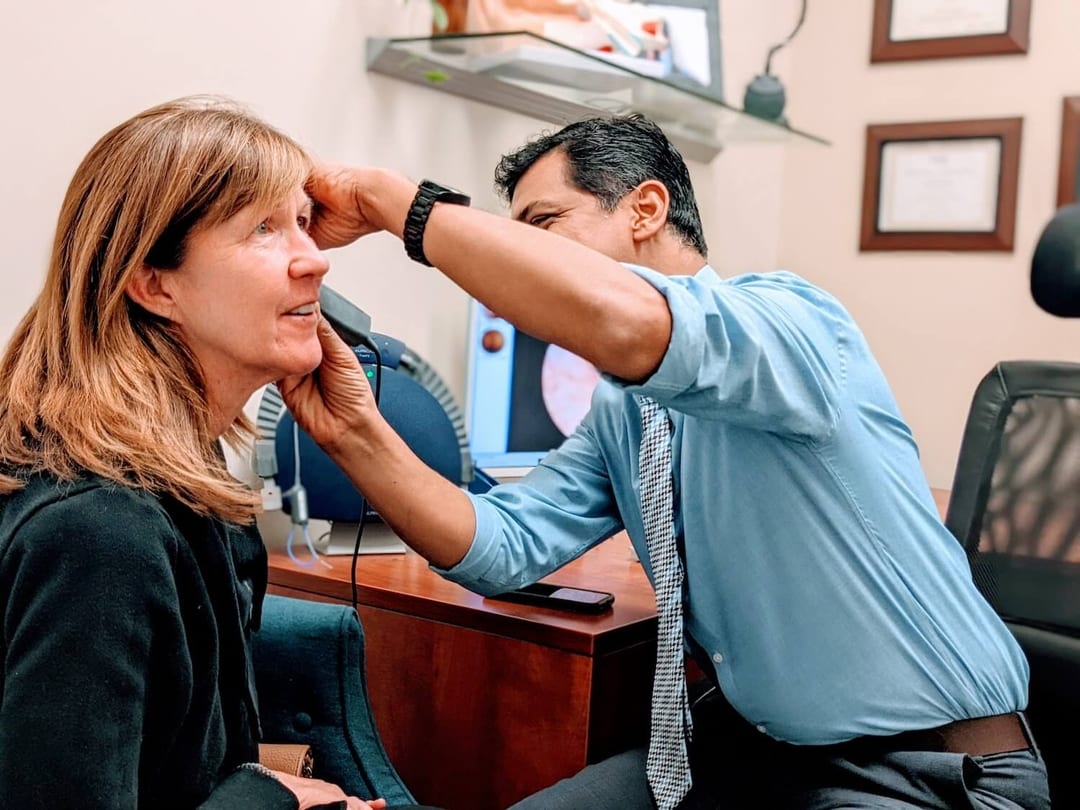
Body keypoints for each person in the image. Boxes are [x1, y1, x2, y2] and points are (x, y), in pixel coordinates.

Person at [283, 114, 1052, 809]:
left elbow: (623, 322)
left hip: (926, 775)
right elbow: (498, 548)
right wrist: (353, 433)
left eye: (543, 224)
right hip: (753, 753)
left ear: (646, 210)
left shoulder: (791, 322)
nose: (518, 262)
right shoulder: (623, 410)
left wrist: (395, 204)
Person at [0, 96, 437, 810]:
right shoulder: (100, 534)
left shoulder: (190, 483)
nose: (316, 260)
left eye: (303, 220)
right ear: (153, 284)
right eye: (263, 228)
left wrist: (292, 789)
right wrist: (275, 800)